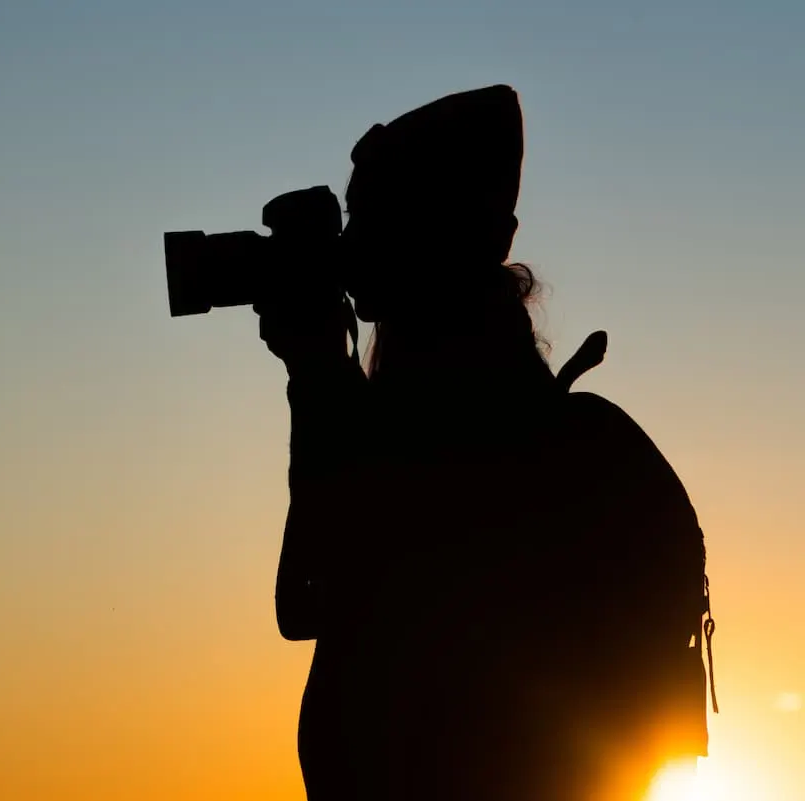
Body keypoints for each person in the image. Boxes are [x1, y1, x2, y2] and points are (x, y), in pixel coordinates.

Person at [258, 85, 713, 800]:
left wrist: (317, 374)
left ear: (429, 241)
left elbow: (319, 593)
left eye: (370, 222)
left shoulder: (505, 462)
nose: (351, 250)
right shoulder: (587, 448)